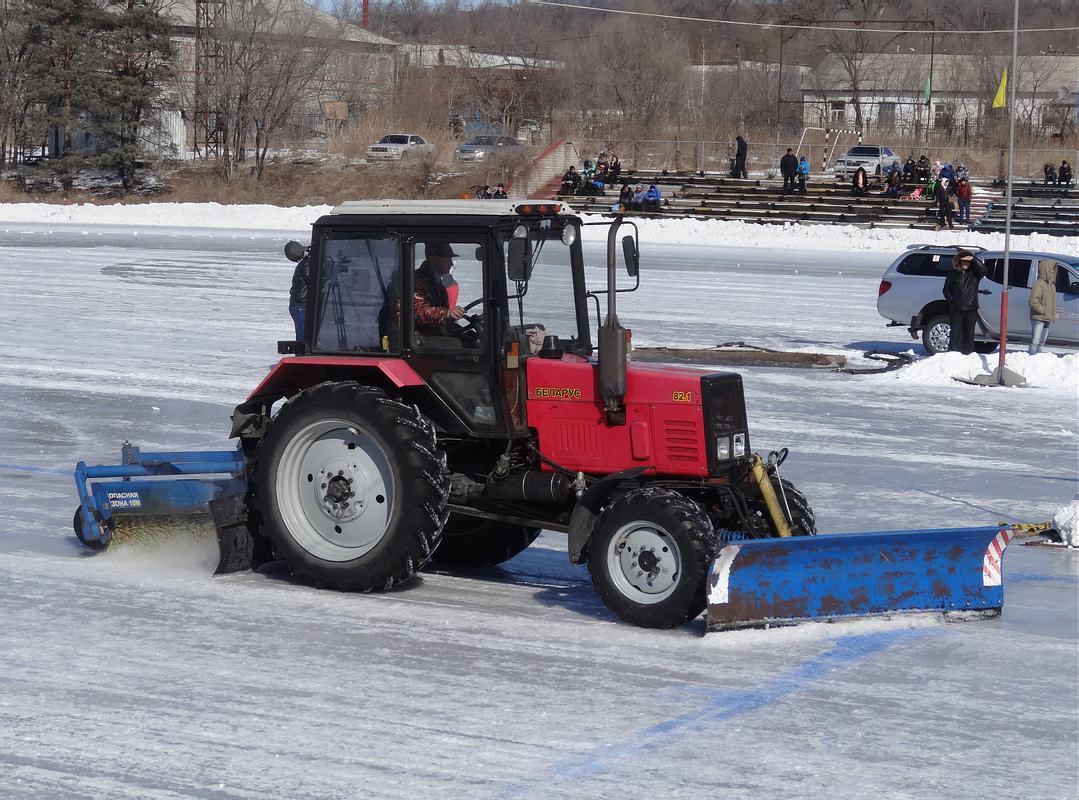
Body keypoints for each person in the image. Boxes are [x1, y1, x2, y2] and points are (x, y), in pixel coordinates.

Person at [412, 243, 465, 342]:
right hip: (416, 339)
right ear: (434, 260)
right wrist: (446, 313)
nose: (451, 264)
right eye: (447, 260)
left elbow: (442, 318)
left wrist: (459, 329)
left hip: (432, 334)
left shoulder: (437, 284)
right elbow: (418, 312)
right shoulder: (416, 281)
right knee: (455, 346)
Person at [942, 250, 987, 354]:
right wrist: (951, 299)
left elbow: (984, 270)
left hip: (971, 308)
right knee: (956, 333)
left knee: (969, 333)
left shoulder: (974, 274)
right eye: (963, 261)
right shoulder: (952, 274)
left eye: (967, 262)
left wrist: (973, 259)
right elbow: (946, 289)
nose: (965, 263)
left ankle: (968, 354)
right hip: (956, 308)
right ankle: (956, 354)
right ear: (959, 262)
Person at [1028, 260, 1059, 355]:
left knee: (1041, 343)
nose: (1054, 272)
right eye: (1052, 269)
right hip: (1039, 318)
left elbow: (1051, 303)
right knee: (1035, 342)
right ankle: (1031, 360)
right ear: (1046, 270)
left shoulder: (1052, 286)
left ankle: (1039, 361)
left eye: (1055, 270)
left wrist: (1053, 313)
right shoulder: (1039, 284)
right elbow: (1033, 301)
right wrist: (1044, 311)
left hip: (1047, 318)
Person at [286, 241, 309, 340]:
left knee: (304, 336)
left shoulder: (306, 264)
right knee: (303, 337)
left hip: (302, 305)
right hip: (301, 305)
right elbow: (316, 282)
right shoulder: (306, 266)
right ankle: (301, 354)